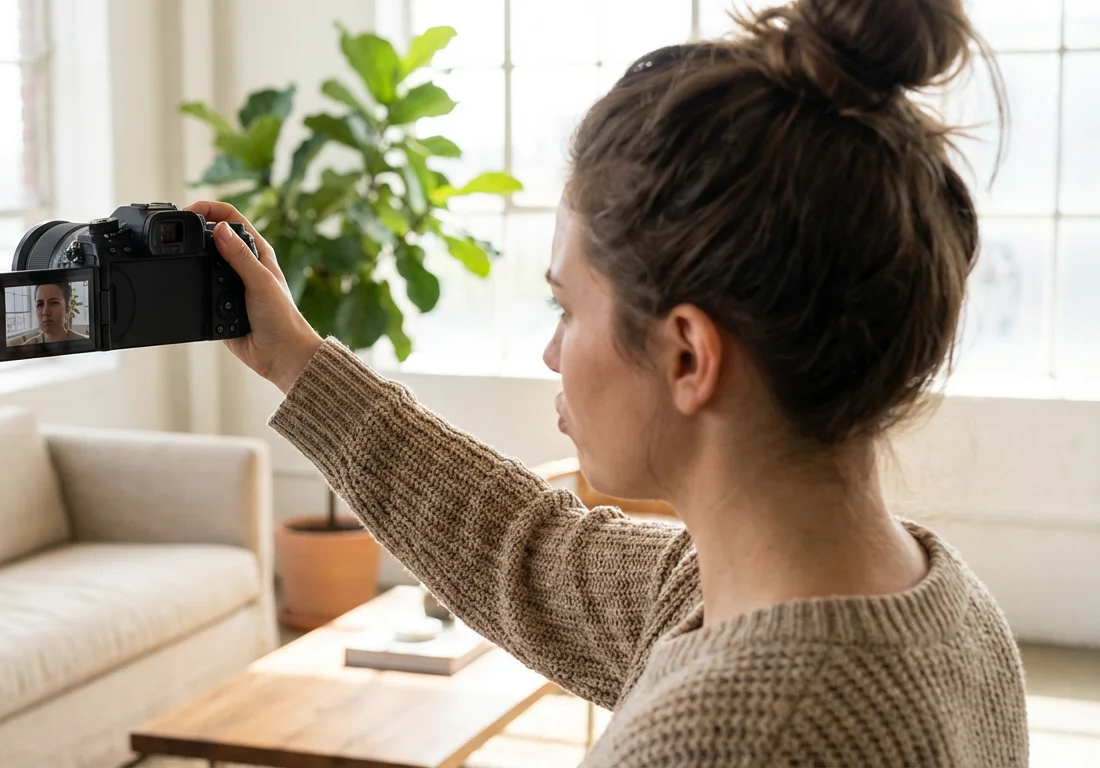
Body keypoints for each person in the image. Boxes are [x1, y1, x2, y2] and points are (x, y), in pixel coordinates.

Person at [193, 0, 1029, 763]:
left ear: (689, 358)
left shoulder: (716, 738)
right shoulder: (946, 609)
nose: (552, 354)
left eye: (566, 308)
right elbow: (527, 553)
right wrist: (296, 362)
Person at [11, 282, 87, 345]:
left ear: (67, 307)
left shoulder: (84, 344)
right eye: (40, 304)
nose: (45, 312)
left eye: (54, 303)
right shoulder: (26, 349)